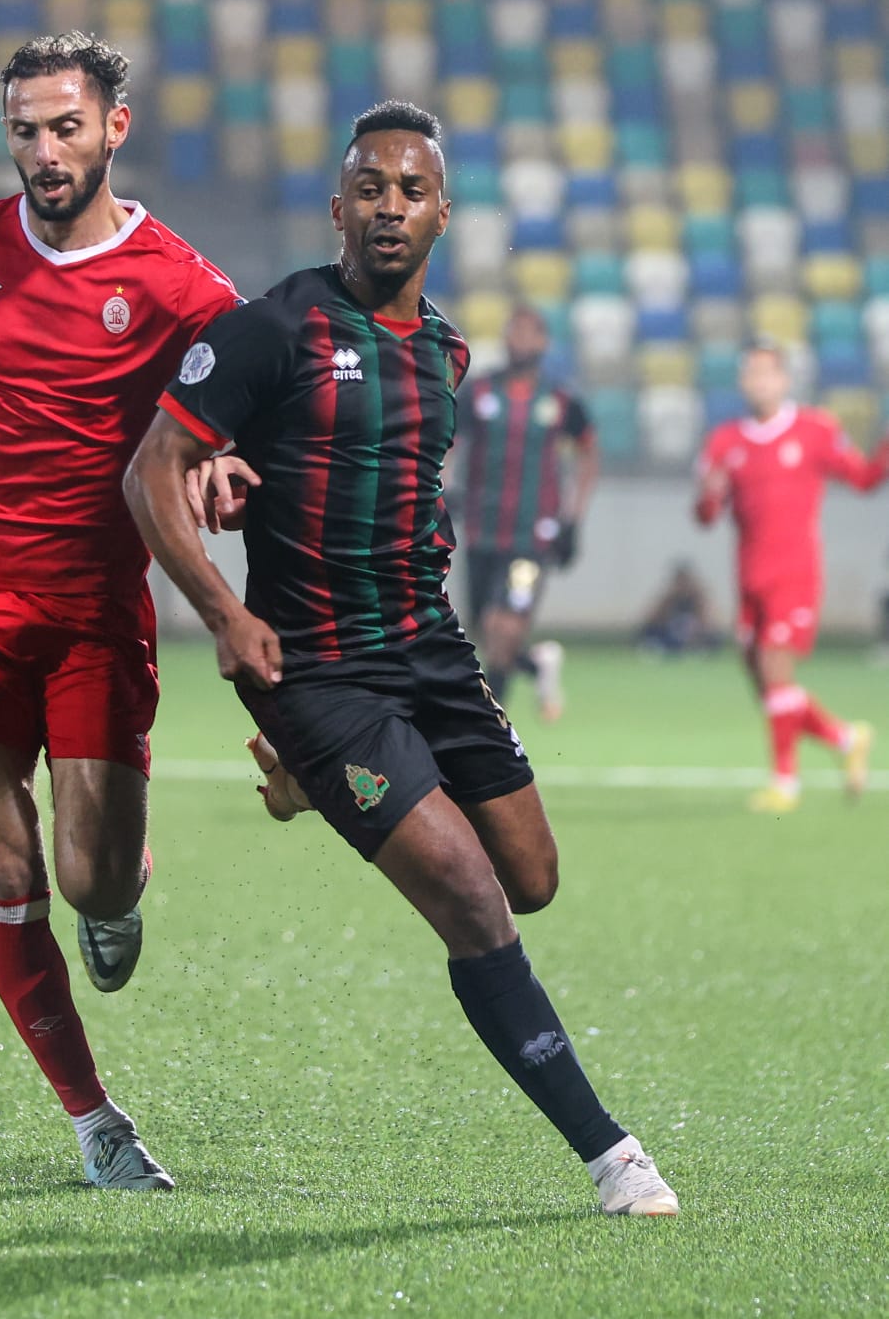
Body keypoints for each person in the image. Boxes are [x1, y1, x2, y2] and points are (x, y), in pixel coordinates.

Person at [125, 100, 678, 1217]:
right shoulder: (270, 328)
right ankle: (611, 1156)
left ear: (441, 214)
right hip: (316, 672)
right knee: (476, 901)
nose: (387, 207)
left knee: (532, 875)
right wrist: (225, 615)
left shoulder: (445, 350)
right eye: (367, 189)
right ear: (337, 209)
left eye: (408, 191)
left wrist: (248, 475)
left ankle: (320, 785)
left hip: (430, 648)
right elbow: (151, 471)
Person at [0, 32, 240, 1190]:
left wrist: (219, 468)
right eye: (23, 129)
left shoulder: (182, 287)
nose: (42, 150)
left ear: (112, 129)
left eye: (64, 127)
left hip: (89, 604)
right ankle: (95, 1122)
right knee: (3, 858)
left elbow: (223, 418)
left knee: (91, 875)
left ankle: (114, 895)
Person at [695, 342, 889, 812]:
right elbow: (706, 515)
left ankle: (786, 782)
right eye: (751, 374)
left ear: (784, 380)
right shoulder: (725, 441)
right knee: (765, 682)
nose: (759, 382)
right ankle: (846, 738)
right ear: (741, 383)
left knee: (775, 667)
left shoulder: (815, 430)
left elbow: (863, 479)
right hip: (749, 577)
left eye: (768, 373)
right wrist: (709, 495)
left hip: (795, 572)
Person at [450, 305, 599, 720]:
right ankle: (537, 665)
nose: (520, 341)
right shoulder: (479, 393)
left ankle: (492, 721)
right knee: (484, 630)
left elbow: (589, 453)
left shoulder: (561, 399)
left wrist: (573, 519)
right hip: (483, 529)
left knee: (506, 625)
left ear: (544, 343)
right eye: (514, 332)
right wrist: (442, 487)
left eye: (529, 334)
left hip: (532, 536)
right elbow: (449, 441)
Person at [637, 560, 720, 657]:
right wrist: (669, 602)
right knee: (651, 633)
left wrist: (697, 629)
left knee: (714, 637)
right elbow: (654, 619)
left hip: (693, 636)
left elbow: (707, 621)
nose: (682, 585)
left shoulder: (697, 597)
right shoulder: (669, 598)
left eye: (685, 581)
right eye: (679, 581)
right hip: (671, 635)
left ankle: (695, 649)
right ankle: (663, 649)